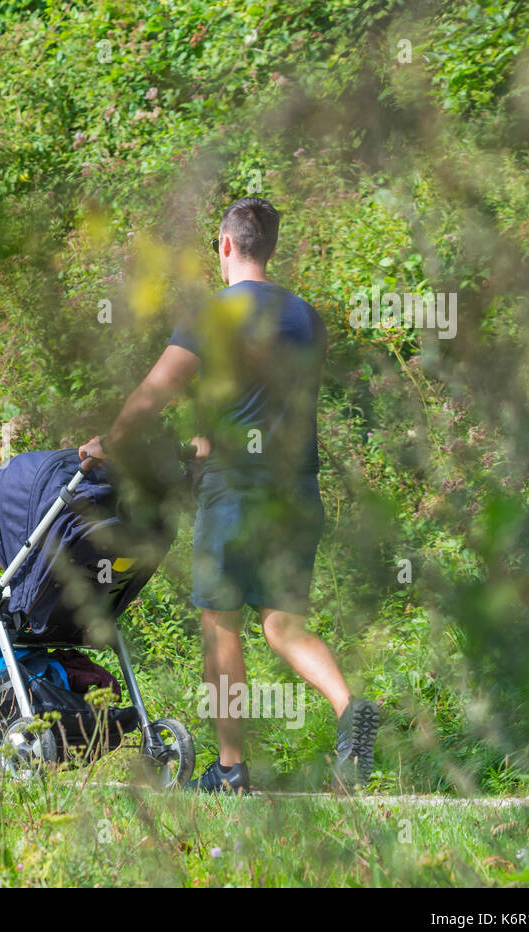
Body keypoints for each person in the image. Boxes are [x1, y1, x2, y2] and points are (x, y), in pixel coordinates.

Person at [79, 198, 379, 793]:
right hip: (296, 490)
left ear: (224, 246)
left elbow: (155, 390)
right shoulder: (307, 320)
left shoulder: (211, 315)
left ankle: (231, 768)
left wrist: (110, 440)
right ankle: (349, 706)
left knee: (222, 626)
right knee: (284, 625)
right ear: (271, 247)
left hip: (235, 495)